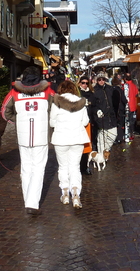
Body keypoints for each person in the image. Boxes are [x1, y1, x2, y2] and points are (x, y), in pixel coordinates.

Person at [2, 66, 56, 215]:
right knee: (38, 168)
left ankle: (28, 199)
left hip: (23, 136)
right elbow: (56, 109)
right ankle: (32, 203)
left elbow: (4, 112)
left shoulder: (14, 92)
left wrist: (18, 121)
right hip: (41, 135)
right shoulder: (47, 91)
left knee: (26, 168)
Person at [50, 80, 90, 209]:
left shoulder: (57, 103)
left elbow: (52, 123)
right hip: (77, 138)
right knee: (75, 167)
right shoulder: (81, 102)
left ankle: (65, 192)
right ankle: (76, 194)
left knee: (63, 167)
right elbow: (85, 122)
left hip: (61, 138)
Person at [92, 72, 117, 156]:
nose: (101, 81)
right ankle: (101, 157)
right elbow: (93, 105)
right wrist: (97, 112)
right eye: (99, 80)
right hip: (101, 117)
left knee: (113, 135)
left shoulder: (110, 88)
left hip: (111, 116)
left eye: (103, 79)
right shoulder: (94, 90)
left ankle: (106, 150)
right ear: (97, 81)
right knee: (101, 139)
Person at [77, 76, 96, 174]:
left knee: (87, 145)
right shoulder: (77, 93)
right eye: (83, 83)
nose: (84, 85)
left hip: (89, 122)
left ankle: (84, 166)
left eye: (86, 83)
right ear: (79, 83)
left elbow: (94, 106)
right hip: (79, 122)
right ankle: (78, 166)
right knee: (78, 144)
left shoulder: (91, 94)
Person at [111, 76, 128, 144]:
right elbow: (124, 100)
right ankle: (119, 138)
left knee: (114, 124)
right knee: (120, 124)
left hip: (113, 109)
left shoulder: (110, 89)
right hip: (120, 109)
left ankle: (114, 137)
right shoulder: (120, 90)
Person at [124, 72, 139, 143]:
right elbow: (136, 93)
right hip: (133, 105)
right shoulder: (133, 85)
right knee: (132, 121)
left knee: (127, 122)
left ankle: (128, 135)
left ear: (125, 79)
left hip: (128, 106)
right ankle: (132, 134)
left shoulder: (125, 86)